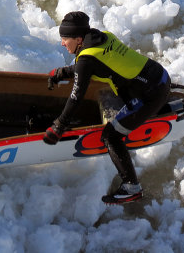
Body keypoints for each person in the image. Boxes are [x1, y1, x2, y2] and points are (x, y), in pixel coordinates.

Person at [42, 11, 175, 205]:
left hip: (150, 94)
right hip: (160, 77)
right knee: (124, 98)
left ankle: (131, 187)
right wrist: (64, 72)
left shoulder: (86, 59)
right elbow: (90, 68)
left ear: (78, 39)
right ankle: (175, 103)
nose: (63, 43)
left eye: (65, 39)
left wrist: (59, 126)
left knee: (111, 136)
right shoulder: (101, 37)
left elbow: (76, 97)